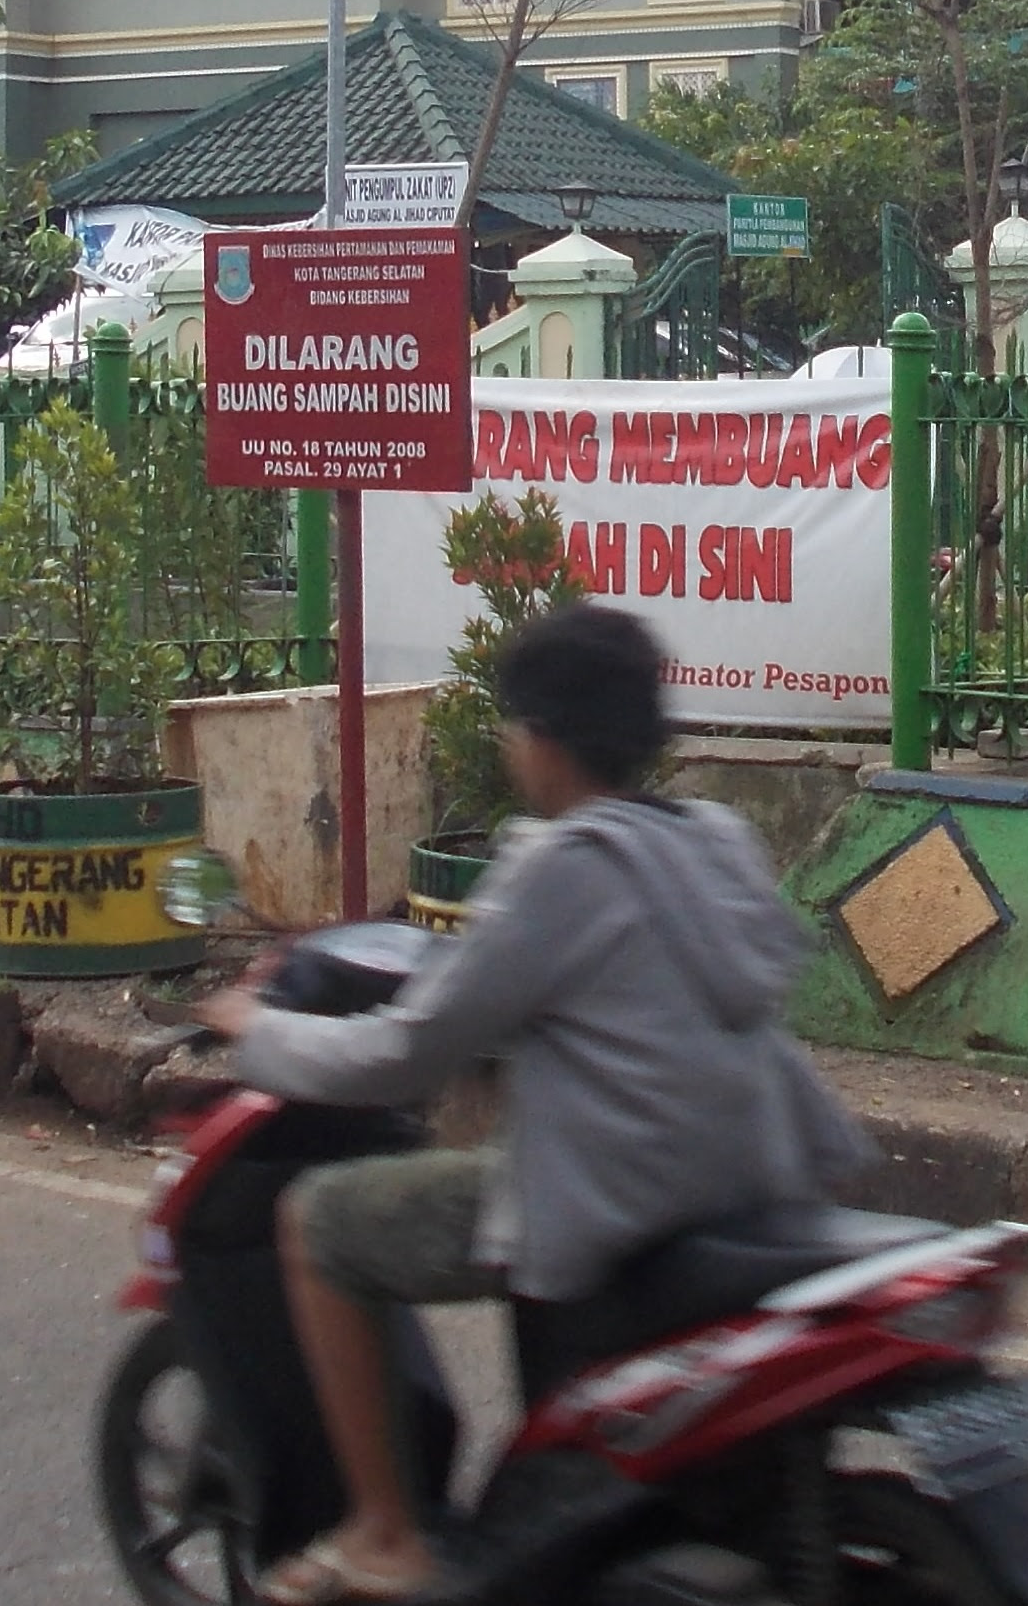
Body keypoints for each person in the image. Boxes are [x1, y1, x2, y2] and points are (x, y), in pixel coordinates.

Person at [191, 602, 866, 1605]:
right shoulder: (718, 839)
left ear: (541, 739)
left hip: (612, 1195)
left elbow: (402, 1056)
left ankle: (385, 1533)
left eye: (511, 726)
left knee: (318, 1221)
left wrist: (258, 1029)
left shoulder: (559, 866)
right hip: (748, 1180)